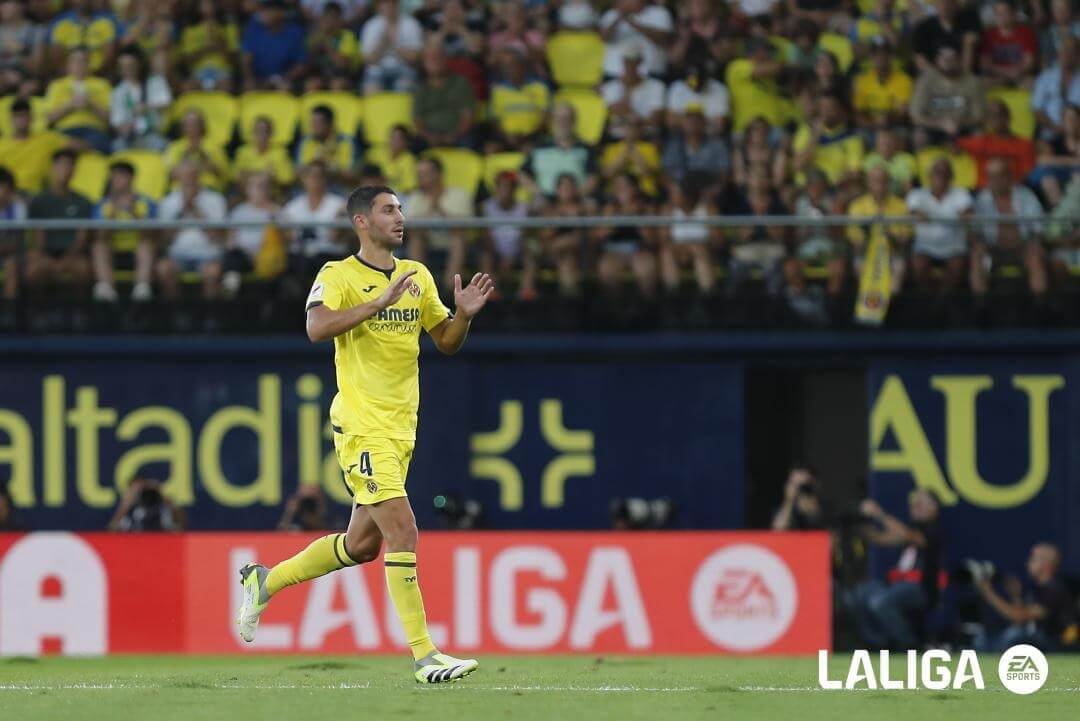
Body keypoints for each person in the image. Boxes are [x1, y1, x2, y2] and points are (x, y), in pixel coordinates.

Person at [235, 184, 494, 684]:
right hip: (362, 423)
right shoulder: (338, 275)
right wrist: (375, 305)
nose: (400, 217)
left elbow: (445, 342)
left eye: (400, 209)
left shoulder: (417, 276)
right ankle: (426, 656)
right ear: (361, 221)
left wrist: (462, 315)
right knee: (405, 531)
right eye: (389, 209)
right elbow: (316, 327)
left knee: (361, 547)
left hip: (402, 428)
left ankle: (264, 581)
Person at [847, 489, 944, 650]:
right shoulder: (911, 528)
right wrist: (856, 526)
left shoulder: (935, 532)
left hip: (920, 590)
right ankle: (877, 643)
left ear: (934, 508)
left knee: (879, 602)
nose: (915, 507)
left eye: (920, 504)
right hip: (893, 585)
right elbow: (879, 538)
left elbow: (909, 536)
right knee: (858, 594)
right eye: (914, 504)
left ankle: (910, 645)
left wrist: (878, 513)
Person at [971, 542, 1077, 652]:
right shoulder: (1037, 588)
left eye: (1034, 559)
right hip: (1035, 639)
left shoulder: (1055, 590)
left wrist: (988, 591)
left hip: (1056, 644)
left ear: (1046, 565)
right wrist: (1016, 596)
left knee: (1013, 634)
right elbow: (1023, 621)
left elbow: (1019, 617)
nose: (1028, 562)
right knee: (984, 636)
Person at [971, 157, 1048, 300]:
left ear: (1009, 176)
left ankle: (1040, 306)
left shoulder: (1026, 196)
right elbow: (975, 231)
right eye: (992, 176)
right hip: (993, 249)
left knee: (1036, 255)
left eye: (1000, 175)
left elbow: (1038, 228)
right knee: (977, 254)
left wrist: (1034, 243)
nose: (996, 181)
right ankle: (980, 306)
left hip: (1022, 248)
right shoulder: (982, 199)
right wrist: (979, 244)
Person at [157, 159, 228, 300]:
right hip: (177, 254)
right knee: (164, 269)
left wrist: (197, 212)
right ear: (179, 178)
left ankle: (210, 316)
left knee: (213, 272)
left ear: (199, 176)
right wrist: (182, 213)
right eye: (185, 175)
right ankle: (175, 314)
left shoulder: (215, 199)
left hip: (208, 254)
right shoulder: (168, 201)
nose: (189, 179)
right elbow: (166, 238)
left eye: (192, 175)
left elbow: (218, 236)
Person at [25, 149, 93, 297]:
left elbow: (82, 237)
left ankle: (80, 312)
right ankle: (39, 312)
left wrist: (66, 259)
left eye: (69, 166)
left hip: (73, 254)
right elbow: (38, 236)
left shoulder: (83, 201)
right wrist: (47, 259)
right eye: (61, 165)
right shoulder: (39, 201)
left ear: (74, 171)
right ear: (53, 168)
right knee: (33, 270)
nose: (65, 170)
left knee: (83, 269)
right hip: (46, 254)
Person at [92, 160, 157, 302]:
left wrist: (133, 212)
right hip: (113, 250)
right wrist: (112, 214)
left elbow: (151, 235)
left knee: (145, 245)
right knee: (99, 246)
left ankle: (142, 288)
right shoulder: (103, 204)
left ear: (131, 178)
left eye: (121, 176)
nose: (117, 180)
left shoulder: (146, 203)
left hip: (137, 251)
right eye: (114, 176)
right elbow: (99, 235)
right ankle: (106, 289)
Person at [405, 156, 474, 289]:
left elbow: (464, 226)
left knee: (458, 238)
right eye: (419, 174)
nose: (420, 178)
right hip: (428, 243)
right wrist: (431, 208)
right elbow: (410, 226)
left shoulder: (459, 194)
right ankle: (419, 287)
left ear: (438, 174)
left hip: (453, 242)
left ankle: (450, 289)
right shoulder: (415, 197)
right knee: (415, 238)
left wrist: (439, 208)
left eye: (425, 173)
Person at [906, 158, 973, 292]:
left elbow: (966, 211)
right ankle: (927, 297)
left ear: (951, 176)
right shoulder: (917, 194)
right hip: (925, 247)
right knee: (919, 266)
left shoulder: (961, 193)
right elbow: (914, 210)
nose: (941, 176)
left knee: (957, 266)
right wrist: (919, 214)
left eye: (945, 173)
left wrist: (963, 214)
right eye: (937, 172)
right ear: (929, 176)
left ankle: (943, 300)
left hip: (954, 247)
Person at [281, 162, 348, 283]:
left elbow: (335, 237)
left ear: (325, 179)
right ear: (303, 179)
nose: (315, 180)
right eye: (310, 176)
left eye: (319, 176)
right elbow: (288, 237)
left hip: (328, 257)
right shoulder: (292, 207)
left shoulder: (339, 204)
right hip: (299, 258)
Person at [910, 45, 987, 147]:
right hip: (933, 126)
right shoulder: (925, 81)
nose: (948, 62)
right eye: (944, 58)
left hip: (963, 126)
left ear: (959, 60)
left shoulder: (972, 82)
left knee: (979, 134)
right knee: (919, 136)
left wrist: (959, 122)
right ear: (937, 60)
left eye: (952, 58)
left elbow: (979, 116)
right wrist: (941, 123)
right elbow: (916, 116)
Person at [43, 46, 112, 154]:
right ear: (68, 64)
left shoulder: (102, 84)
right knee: (52, 142)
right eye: (75, 61)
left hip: (93, 130)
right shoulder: (57, 85)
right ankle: (79, 148)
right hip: (65, 130)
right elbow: (49, 119)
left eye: (83, 61)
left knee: (102, 142)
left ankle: (77, 148)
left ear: (89, 64)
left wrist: (91, 105)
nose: (79, 65)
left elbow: (110, 118)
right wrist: (70, 105)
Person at [660, 171, 718, 296]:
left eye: (675, 193)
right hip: (678, 252)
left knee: (699, 253)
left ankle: (708, 296)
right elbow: (663, 238)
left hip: (703, 251)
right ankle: (672, 295)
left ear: (687, 194)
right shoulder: (668, 210)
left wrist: (697, 246)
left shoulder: (708, 208)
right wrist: (683, 247)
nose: (671, 196)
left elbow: (718, 239)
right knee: (667, 253)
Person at [481, 170, 536, 300]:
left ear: (514, 189)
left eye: (508, 186)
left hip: (518, 249)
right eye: (501, 186)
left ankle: (526, 290)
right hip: (495, 249)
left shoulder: (524, 208)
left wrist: (511, 256)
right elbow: (486, 236)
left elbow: (524, 236)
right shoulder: (486, 207)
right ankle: (491, 293)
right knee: (485, 257)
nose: (505, 190)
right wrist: (499, 254)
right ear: (497, 188)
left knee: (530, 254)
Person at [412, 41, 477, 150]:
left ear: (446, 59)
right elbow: (418, 120)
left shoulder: (461, 83)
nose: (435, 61)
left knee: (471, 143)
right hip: (429, 137)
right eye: (431, 58)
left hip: (459, 136)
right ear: (424, 63)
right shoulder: (421, 89)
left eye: (439, 57)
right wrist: (429, 137)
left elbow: (468, 116)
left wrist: (455, 135)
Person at [110, 44, 171, 152]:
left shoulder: (155, 81)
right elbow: (117, 121)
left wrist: (147, 107)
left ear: (139, 64)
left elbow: (166, 103)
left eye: (131, 65)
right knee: (116, 147)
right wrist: (125, 128)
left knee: (163, 147)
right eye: (123, 66)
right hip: (130, 137)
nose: (127, 69)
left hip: (153, 133)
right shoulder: (118, 91)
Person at [240, 0, 307, 92]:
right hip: (258, 79)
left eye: (268, 10)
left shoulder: (295, 33)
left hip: (284, 78)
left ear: (281, 13)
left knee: (285, 88)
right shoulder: (253, 30)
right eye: (263, 11)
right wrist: (250, 78)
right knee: (248, 87)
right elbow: (246, 60)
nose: (263, 14)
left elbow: (301, 65)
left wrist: (280, 78)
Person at [360, 0, 424, 93]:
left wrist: (394, 44)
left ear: (398, 4)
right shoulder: (371, 25)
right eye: (385, 2)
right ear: (379, 6)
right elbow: (368, 60)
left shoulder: (411, 23)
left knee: (404, 86)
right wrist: (383, 43)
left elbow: (415, 58)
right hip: (377, 71)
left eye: (393, 2)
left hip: (404, 70)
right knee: (371, 88)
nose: (390, 6)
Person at [296, 105, 357, 188]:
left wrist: (329, 168)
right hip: (312, 187)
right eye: (312, 123)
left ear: (329, 124)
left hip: (338, 187)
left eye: (317, 123)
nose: (313, 127)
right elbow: (300, 172)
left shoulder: (345, 142)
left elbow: (350, 175)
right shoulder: (306, 142)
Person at [108, 476, 185, 532]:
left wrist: (167, 500)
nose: (142, 494)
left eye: (143, 489)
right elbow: (112, 531)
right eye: (137, 491)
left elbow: (182, 527)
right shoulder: (129, 513)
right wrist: (124, 506)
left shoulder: (163, 509)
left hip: (161, 547)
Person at [772, 464, 826, 530]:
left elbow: (817, 520)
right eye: (794, 484)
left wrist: (808, 502)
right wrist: (789, 501)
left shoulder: (823, 506)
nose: (799, 489)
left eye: (803, 485)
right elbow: (778, 530)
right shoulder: (785, 507)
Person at [0, 168, 27, 301]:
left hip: (13, 255)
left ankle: (7, 312)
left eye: (2, 187)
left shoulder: (18, 208)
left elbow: (17, 240)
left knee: (11, 264)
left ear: (10, 190)